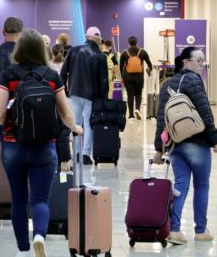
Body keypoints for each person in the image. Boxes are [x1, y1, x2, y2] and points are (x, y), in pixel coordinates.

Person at [0, 29, 82, 257]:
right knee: (40, 199)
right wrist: (76, 127)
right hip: (45, 146)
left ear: (19, 49)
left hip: (13, 146)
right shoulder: (51, 75)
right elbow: (65, 113)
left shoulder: (7, 74)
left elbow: (0, 116)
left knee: (19, 200)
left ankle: (23, 251)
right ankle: (40, 237)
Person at [153, 46, 217, 245]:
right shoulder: (194, 80)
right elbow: (205, 113)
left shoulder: (167, 84)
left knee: (181, 184)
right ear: (186, 62)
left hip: (175, 144)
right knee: (201, 185)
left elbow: (160, 119)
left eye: (203, 61)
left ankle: (174, 230)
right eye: (198, 61)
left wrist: (159, 148)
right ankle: (200, 230)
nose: (202, 65)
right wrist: (215, 140)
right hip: (197, 143)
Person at [60, 27, 109, 165]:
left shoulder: (74, 50)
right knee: (89, 124)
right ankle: (86, 154)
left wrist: (63, 92)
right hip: (92, 96)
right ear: (98, 39)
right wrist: (103, 99)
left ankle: (76, 154)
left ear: (87, 36)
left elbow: (63, 72)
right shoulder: (100, 55)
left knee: (75, 124)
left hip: (74, 93)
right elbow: (103, 80)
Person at [120, 36, 153, 120]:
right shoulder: (142, 52)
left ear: (128, 43)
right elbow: (149, 64)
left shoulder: (124, 53)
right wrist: (148, 70)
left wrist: (122, 77)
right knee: (138, 94)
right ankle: (137, 109)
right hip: (139, 77)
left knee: (130, 95)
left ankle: (131, 115)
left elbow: (121, 67)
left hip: (127, 77)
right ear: (137, 43)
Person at [50, 44, 71, 165]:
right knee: (64, 131)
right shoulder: (66, 66)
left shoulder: (48, 66)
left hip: (50, 102)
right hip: (64, 100)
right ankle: (64, 158)